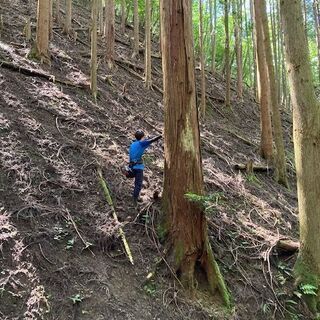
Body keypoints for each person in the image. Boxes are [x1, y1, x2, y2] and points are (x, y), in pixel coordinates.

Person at [129, 130, 162, 203]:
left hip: (131, 167)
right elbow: (152, 140)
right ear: (142, 137)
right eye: (144, 137)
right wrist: (161, 135)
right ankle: (135, 200)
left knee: (136, 183)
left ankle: (136, 196)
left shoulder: (133, 144)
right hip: (138, 167)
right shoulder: (141, 143)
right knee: (138, 184)